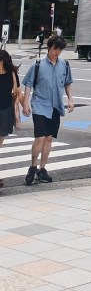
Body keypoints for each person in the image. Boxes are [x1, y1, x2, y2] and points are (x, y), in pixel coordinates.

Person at [21, 35, 74, 186]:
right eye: (55, 49)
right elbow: (28, 85)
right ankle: (32, 167)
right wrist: (25, 104)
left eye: (60, 50)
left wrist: (70, 100)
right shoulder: (38, 65)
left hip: (55, 106)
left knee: (49, 138)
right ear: (49, 47)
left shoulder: (65, 65)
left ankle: (42, 169)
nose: (57, 52)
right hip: (40, 105)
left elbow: (68, 83)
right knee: (39, 137)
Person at [0, 49, 21, 189]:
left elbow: (18, 93)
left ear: (2, 61)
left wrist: (22, 108)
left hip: (5, 111)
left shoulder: (12, 74)